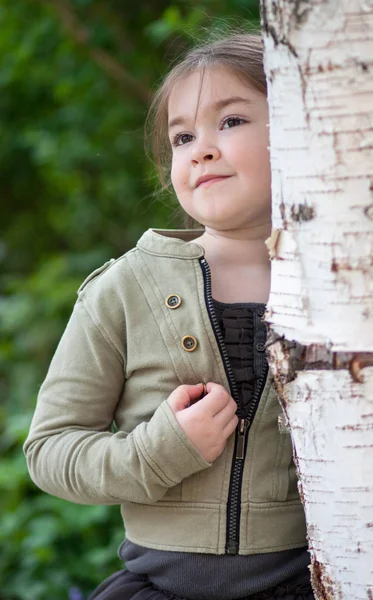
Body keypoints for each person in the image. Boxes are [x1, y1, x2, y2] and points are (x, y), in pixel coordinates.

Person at [24, 31, 314, 600]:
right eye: (183, 137)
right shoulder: (124, 288)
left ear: (302, 127)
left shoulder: (349, 289)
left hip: (309, 582)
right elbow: (50, 451)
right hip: (159, 586)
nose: (201, 148)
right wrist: (160, 450)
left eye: (230, 122)